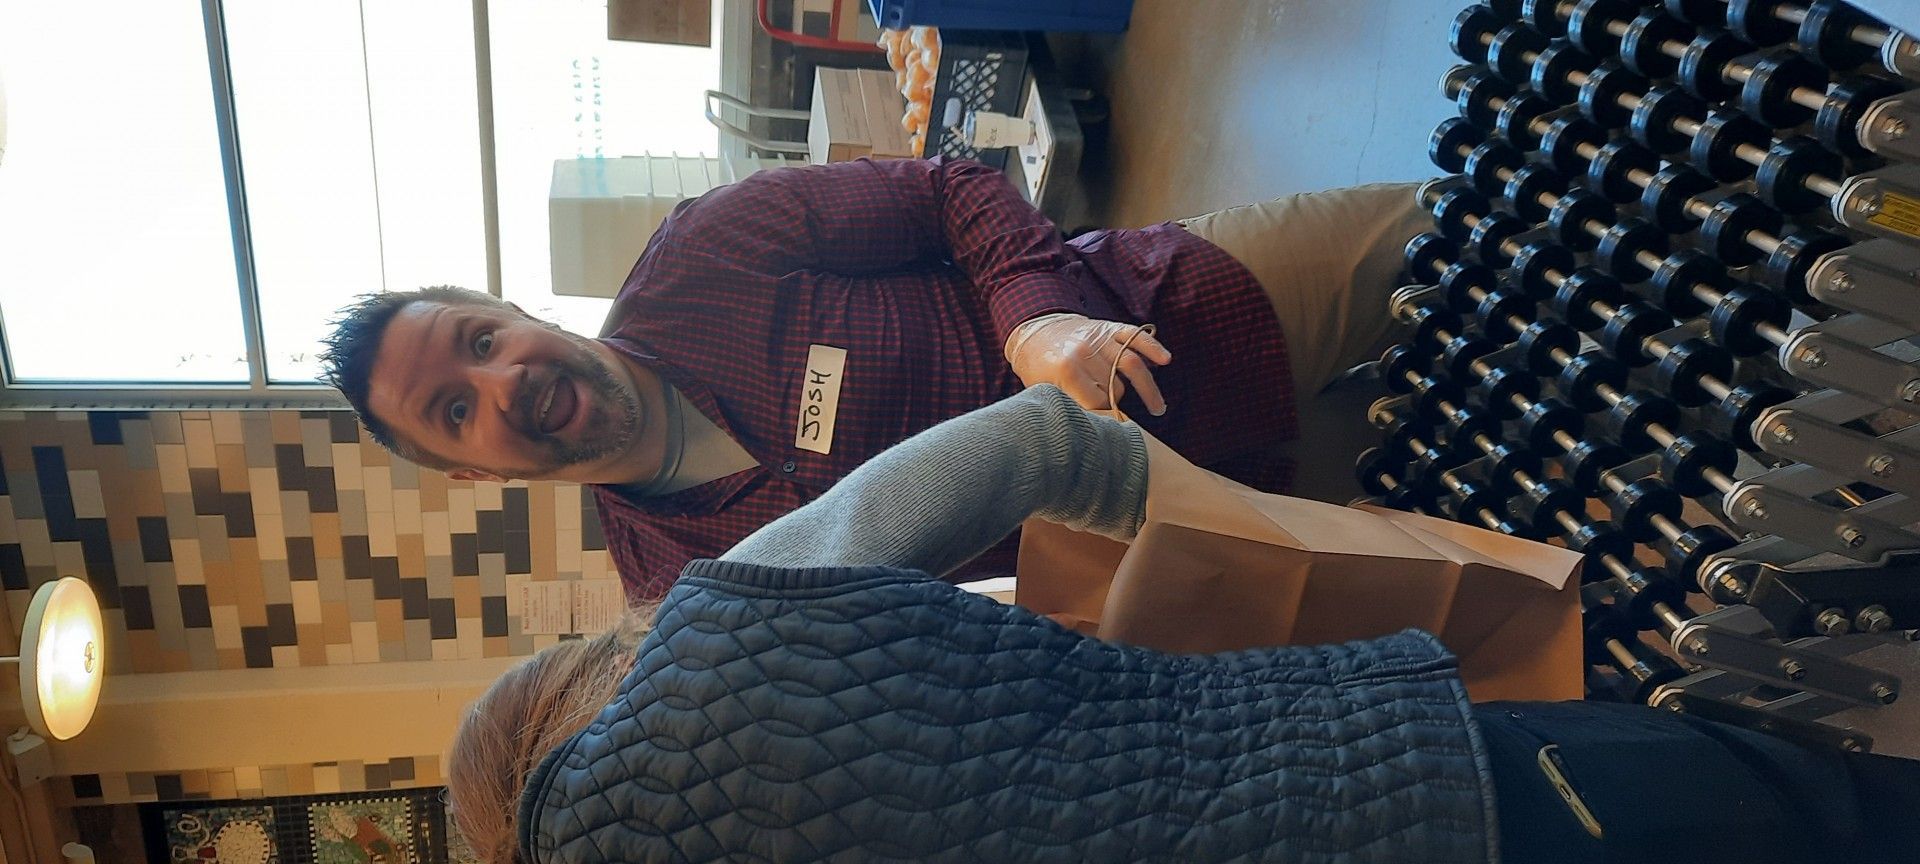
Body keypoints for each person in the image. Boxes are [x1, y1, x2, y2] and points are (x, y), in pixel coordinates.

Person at [448, 386, 1920, 864]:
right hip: (1420, 786)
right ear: (566, 692)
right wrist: (1253, 530)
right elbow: (1034, 442)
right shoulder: (718, 623)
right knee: (1841, 813)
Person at [319, 157, 1428, 601]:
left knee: (1496, 238)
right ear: (465, 472)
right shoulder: (688, 590)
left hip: (1202, 315)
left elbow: (951, 194)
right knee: (1517, 477)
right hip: (1225, 527)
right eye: (456, 409)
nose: (504, 379)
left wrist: (1036, 326)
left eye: (477, 338)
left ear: (506, 308)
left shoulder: (704, 256)